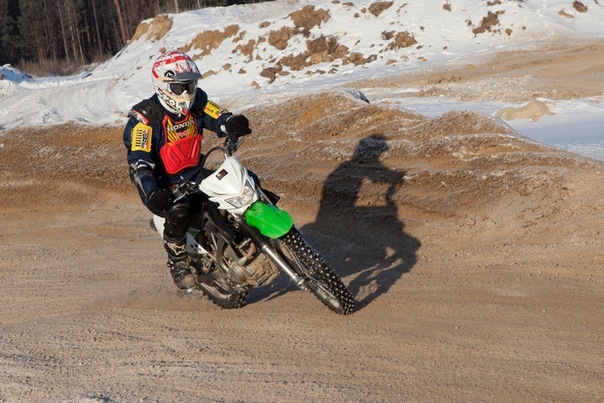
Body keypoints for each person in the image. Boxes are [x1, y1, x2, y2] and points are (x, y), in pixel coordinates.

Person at [123, 50, 251, 291]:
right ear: (163, 86)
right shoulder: (145, 119)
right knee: (179, 211)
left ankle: (253, 232)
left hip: (194, 172)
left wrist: (231, 123)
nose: (186, 93)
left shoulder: (198, 101)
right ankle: (178, 261)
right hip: (161, 185)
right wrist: (152, 190)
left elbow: (218, 116)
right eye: (179, 87)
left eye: (190, 85)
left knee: (242, 180)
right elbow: (139, 162)